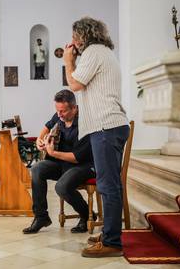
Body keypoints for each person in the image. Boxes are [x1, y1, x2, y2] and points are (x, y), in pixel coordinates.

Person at [64, 17, 129, 258]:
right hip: (110, 126)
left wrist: (68, 61)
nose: (72, 43)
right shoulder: (103, 52)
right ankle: (110, 233)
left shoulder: (93, 51)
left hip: (106, 127)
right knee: (109, 184)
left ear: (82, 37)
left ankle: (112, 242)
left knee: (107, 185)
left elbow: (74, 83)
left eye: (74, 37)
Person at [22, 90, 94, 234]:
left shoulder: (86, 123)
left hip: (83, 165)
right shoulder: (59, 115)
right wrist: (39, 141)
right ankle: (41, 216)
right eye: (57, 111)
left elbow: (76, 157)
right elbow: (46, 127)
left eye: (63, 111)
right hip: (62, 163)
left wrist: (53, 153)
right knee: (37, 169)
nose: (59, 115)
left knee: (61, 187)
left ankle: (86, 215)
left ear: (74, 108)